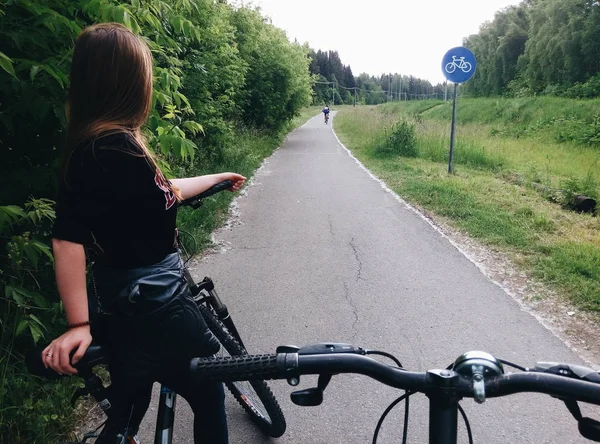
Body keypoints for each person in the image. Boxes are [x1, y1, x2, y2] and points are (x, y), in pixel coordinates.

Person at [41, 23, 245, 444]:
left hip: (121, 301)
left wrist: (215, 177)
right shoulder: (116, 149)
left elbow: (164, 193)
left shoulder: (92, 148)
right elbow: (67, 239)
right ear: (131, 86)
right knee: (208, 391)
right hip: (160, 301)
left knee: (131, 402)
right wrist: (77, 324)